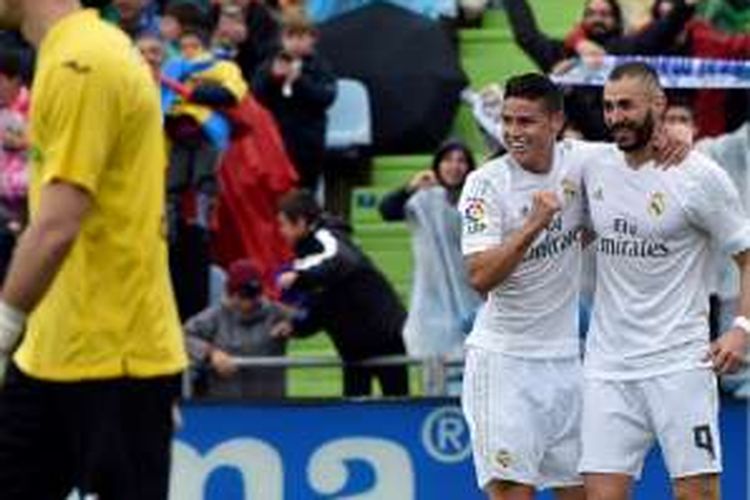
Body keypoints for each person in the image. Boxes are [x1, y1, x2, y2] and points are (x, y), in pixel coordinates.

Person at [0, 1, 188, 498]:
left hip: (111, 358)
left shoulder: (81, 62)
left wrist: (3, 324)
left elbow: (58, 224)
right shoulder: (76, 53)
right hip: (57, 349)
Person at [580, 61, 750, 500]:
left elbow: (748, 257)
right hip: (608, 366)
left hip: (679, 364)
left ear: (659, 105)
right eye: (608, 107)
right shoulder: (594, 166)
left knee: (697, 495)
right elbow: (535, 146)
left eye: (626, 106)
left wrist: (741, 329)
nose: (616, 117)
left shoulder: (700, 177)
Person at [460, 73, 595, 500]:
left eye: (526, 122)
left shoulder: (583, 161)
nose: (514, 133)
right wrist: (534, 226)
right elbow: (480, 277)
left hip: (565, 363)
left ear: (556, 122)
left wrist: (673, 142)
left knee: (579, 491)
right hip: (505, 364)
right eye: (508, 121)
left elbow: (638, 155)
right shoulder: (485, 184)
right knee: (514, 492)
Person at [277, 189, 409, 397]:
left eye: (283, 224)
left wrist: (300, 277)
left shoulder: (328, 236)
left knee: (397, 402)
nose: (281, 231)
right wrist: (296, 327)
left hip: (383, 337)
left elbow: (342, 259)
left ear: (301, 222)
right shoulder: (307, 257)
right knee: (354, 408)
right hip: (354, 351)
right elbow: (322, 305)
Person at [504, 0, 697, 140]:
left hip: (618, 144)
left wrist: (685, 6)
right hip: (571, 144)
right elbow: (526, 36)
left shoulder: (627, 49)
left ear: (616, 20)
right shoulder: (562, 53)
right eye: (591, 14)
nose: (597, 19)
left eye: (604, 14)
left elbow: (661, 30)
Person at [379, 140, 481, 390]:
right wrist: (410, 188)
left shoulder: (478, 202)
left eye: (461, 161)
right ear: (437, 165)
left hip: (473, 300)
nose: (454, 167)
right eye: (448, 160)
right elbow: (387, 210)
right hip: (432, 306)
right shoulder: (423, 200)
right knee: (436, 382)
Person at [252, 9, 337, 191]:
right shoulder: (270, 64)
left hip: (308, 143)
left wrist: (300, 81)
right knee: (276, 191)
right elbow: (256, 96)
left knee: (305, 190)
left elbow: (326, 97)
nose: (296, 43)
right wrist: (272, 78)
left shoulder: (320, 66)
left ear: (313, 38)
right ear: (282, 39)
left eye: (302, 37)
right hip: (276, 140)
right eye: (291, 37)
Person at [185, 259, 293, 399]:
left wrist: (296, 325)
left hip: (270, 406)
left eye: (254, 295)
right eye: (243, 296)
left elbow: (309, 319)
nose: (249, 302)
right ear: (231, 294)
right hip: (226, 407)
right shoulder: (213, 316)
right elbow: (184, 335)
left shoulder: (277, 313)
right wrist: (211, 353)